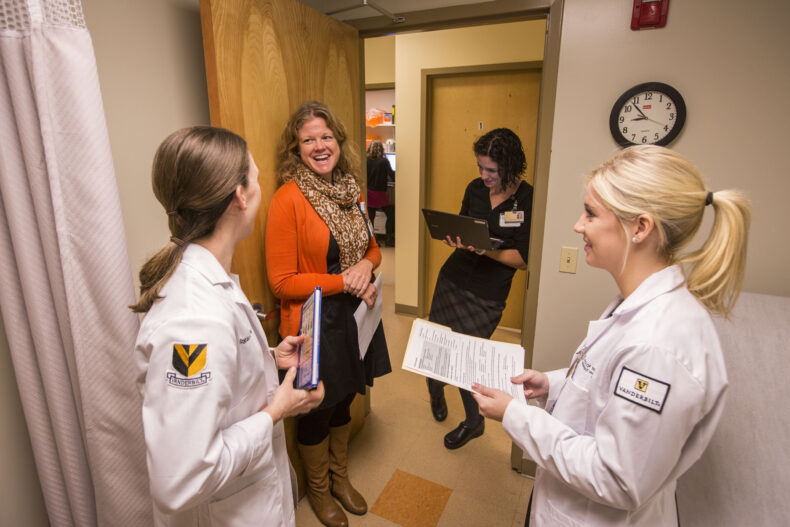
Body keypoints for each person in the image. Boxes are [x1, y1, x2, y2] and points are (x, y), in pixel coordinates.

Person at [472, 145, 751, 526]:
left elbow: (617, 479)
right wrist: (552, 384)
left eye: (590, 213)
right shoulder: (637, 304)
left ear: (640, 227)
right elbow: (606, 387)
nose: (578, 225)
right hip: (563, 498)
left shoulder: (659, 347)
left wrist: (515, 415)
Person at [131, 126, 324, 527]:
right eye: (255, 177)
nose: (259, 188)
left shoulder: (207, 280)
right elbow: (180, 482)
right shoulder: (193, 319)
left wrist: (269, 357)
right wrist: (276, 411)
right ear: (240, 196)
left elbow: (219, 378)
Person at [265, 101, 391, 527]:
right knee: (317, 408)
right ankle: (320, 491)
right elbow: (282, 281)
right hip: (315, 320)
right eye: (308, 140)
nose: (320, 146)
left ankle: (340, 478)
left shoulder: (351, 190)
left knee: (346, 397)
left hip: (355, 315)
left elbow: (372, 249)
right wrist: (345, 280)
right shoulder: (288, 199)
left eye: (326, 137)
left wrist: (365, 267)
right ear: (295, 149)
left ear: (338, 141)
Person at [425, 127, 533, 449]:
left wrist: (485, 250)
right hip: (452, 279)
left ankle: (474, 423)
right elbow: (462, 224)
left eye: (492, 170)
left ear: (511, 167)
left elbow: (524, 259)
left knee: (466, 361)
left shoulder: (527, 199)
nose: (484, 176)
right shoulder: (474, 189)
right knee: (438, 347)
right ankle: (434, 387)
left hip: (487, 294)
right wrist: (455, 237)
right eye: (480, 168)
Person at [366, 140, 395, 246]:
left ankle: (372, 241)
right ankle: (389, 238)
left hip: (368, 193)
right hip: (379, 194)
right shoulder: (384, 161)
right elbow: (392, 175)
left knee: (371, 217)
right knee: (391, 213)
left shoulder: (366, 160)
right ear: (382, 150)